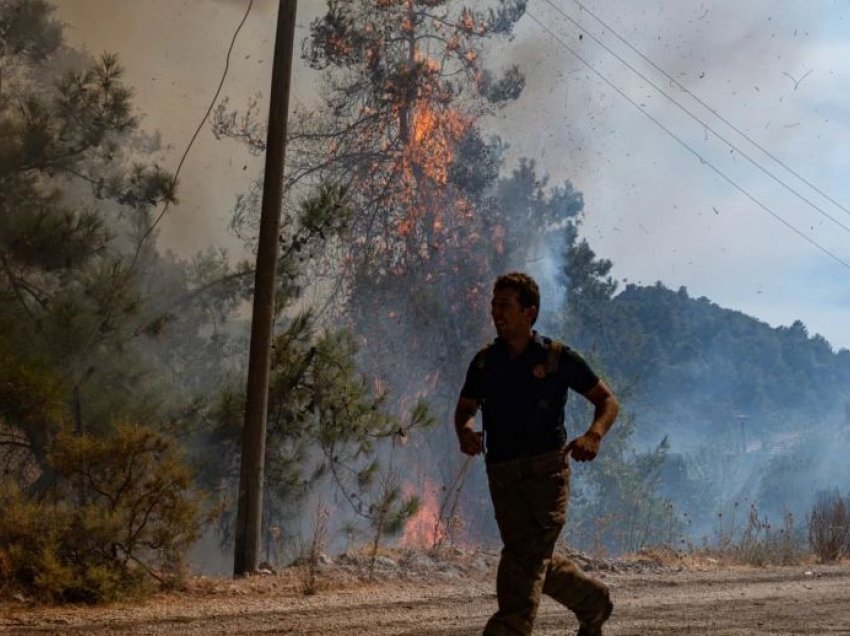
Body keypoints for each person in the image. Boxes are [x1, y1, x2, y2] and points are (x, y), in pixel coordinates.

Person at [455, 272, 619, 636]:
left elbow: (607, 401)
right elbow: (465, 408)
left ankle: (508, 629)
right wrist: (465, 430)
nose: (496, 313)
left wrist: (593, 435)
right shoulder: (485, 363)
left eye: (505, 306)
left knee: (522, 561)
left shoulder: (558, 358)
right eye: (494, 305)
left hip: (547, 478)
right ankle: (593, 601)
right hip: (503, 478)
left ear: (529, 312)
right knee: (530, 558)